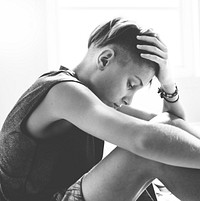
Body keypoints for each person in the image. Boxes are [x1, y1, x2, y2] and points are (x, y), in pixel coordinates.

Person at [1, 17, 200, 201]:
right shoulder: (63, 91)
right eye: (131, 85)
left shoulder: (95, 99)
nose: (129, 100)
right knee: (144, 152)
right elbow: (145, 140)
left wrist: (168, 83)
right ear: (105, 59)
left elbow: (172, 125)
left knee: (162, 134)